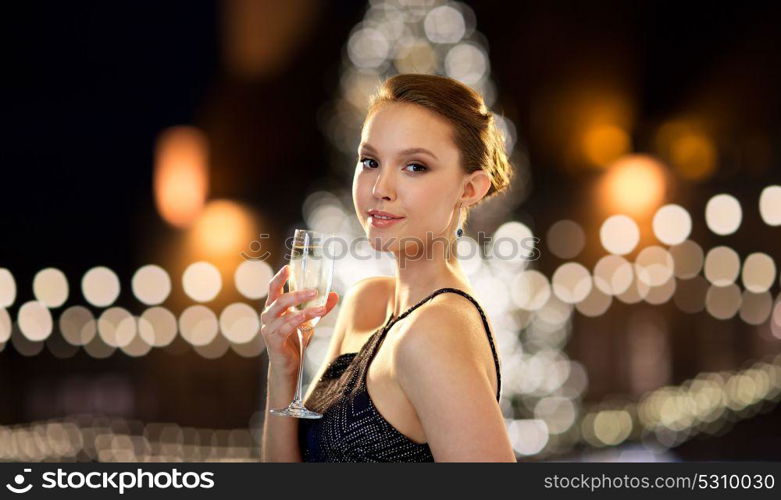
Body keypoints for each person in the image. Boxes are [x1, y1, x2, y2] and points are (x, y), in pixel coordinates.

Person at [260, 74, 516, 462]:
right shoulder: (368, 301)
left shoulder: (436, 330)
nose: (381, 187)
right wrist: (284, 370)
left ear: (470, 189)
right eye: (370, 161)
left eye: (414, 166)